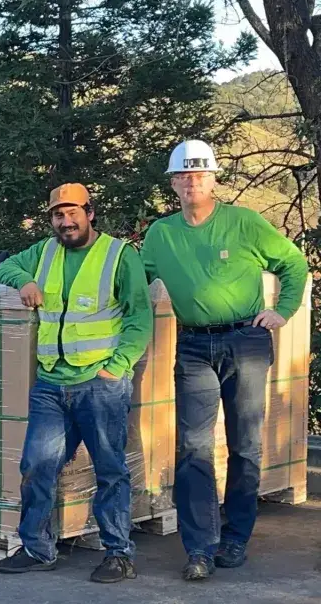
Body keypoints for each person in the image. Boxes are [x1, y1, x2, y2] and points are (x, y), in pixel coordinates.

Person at [141, 140, 308, 582]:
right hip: (194, 345)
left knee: (244, 444)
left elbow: (293, 263)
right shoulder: (161, 234)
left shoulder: (244, 223)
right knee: (194, 446)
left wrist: (282, 310)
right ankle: (199, 547)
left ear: (214, 179)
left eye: (200, 174)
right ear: (174, 183)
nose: (192, 181)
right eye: (184, 175)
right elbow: (134, 282)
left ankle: (235, 537)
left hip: (246, 341)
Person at [0, 183, 152, 584]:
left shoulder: (119, 254)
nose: (66, 221)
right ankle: (37, 548)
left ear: (90, 212)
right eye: (58, 215)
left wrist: (118, 365)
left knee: (110, 469)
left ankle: (118, 553)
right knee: (35, 466)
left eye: (73, 212)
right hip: (51, 382)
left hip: (100, 382)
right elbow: (4, 265)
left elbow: (139, 317)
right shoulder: (44, 252)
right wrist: (23, 282)